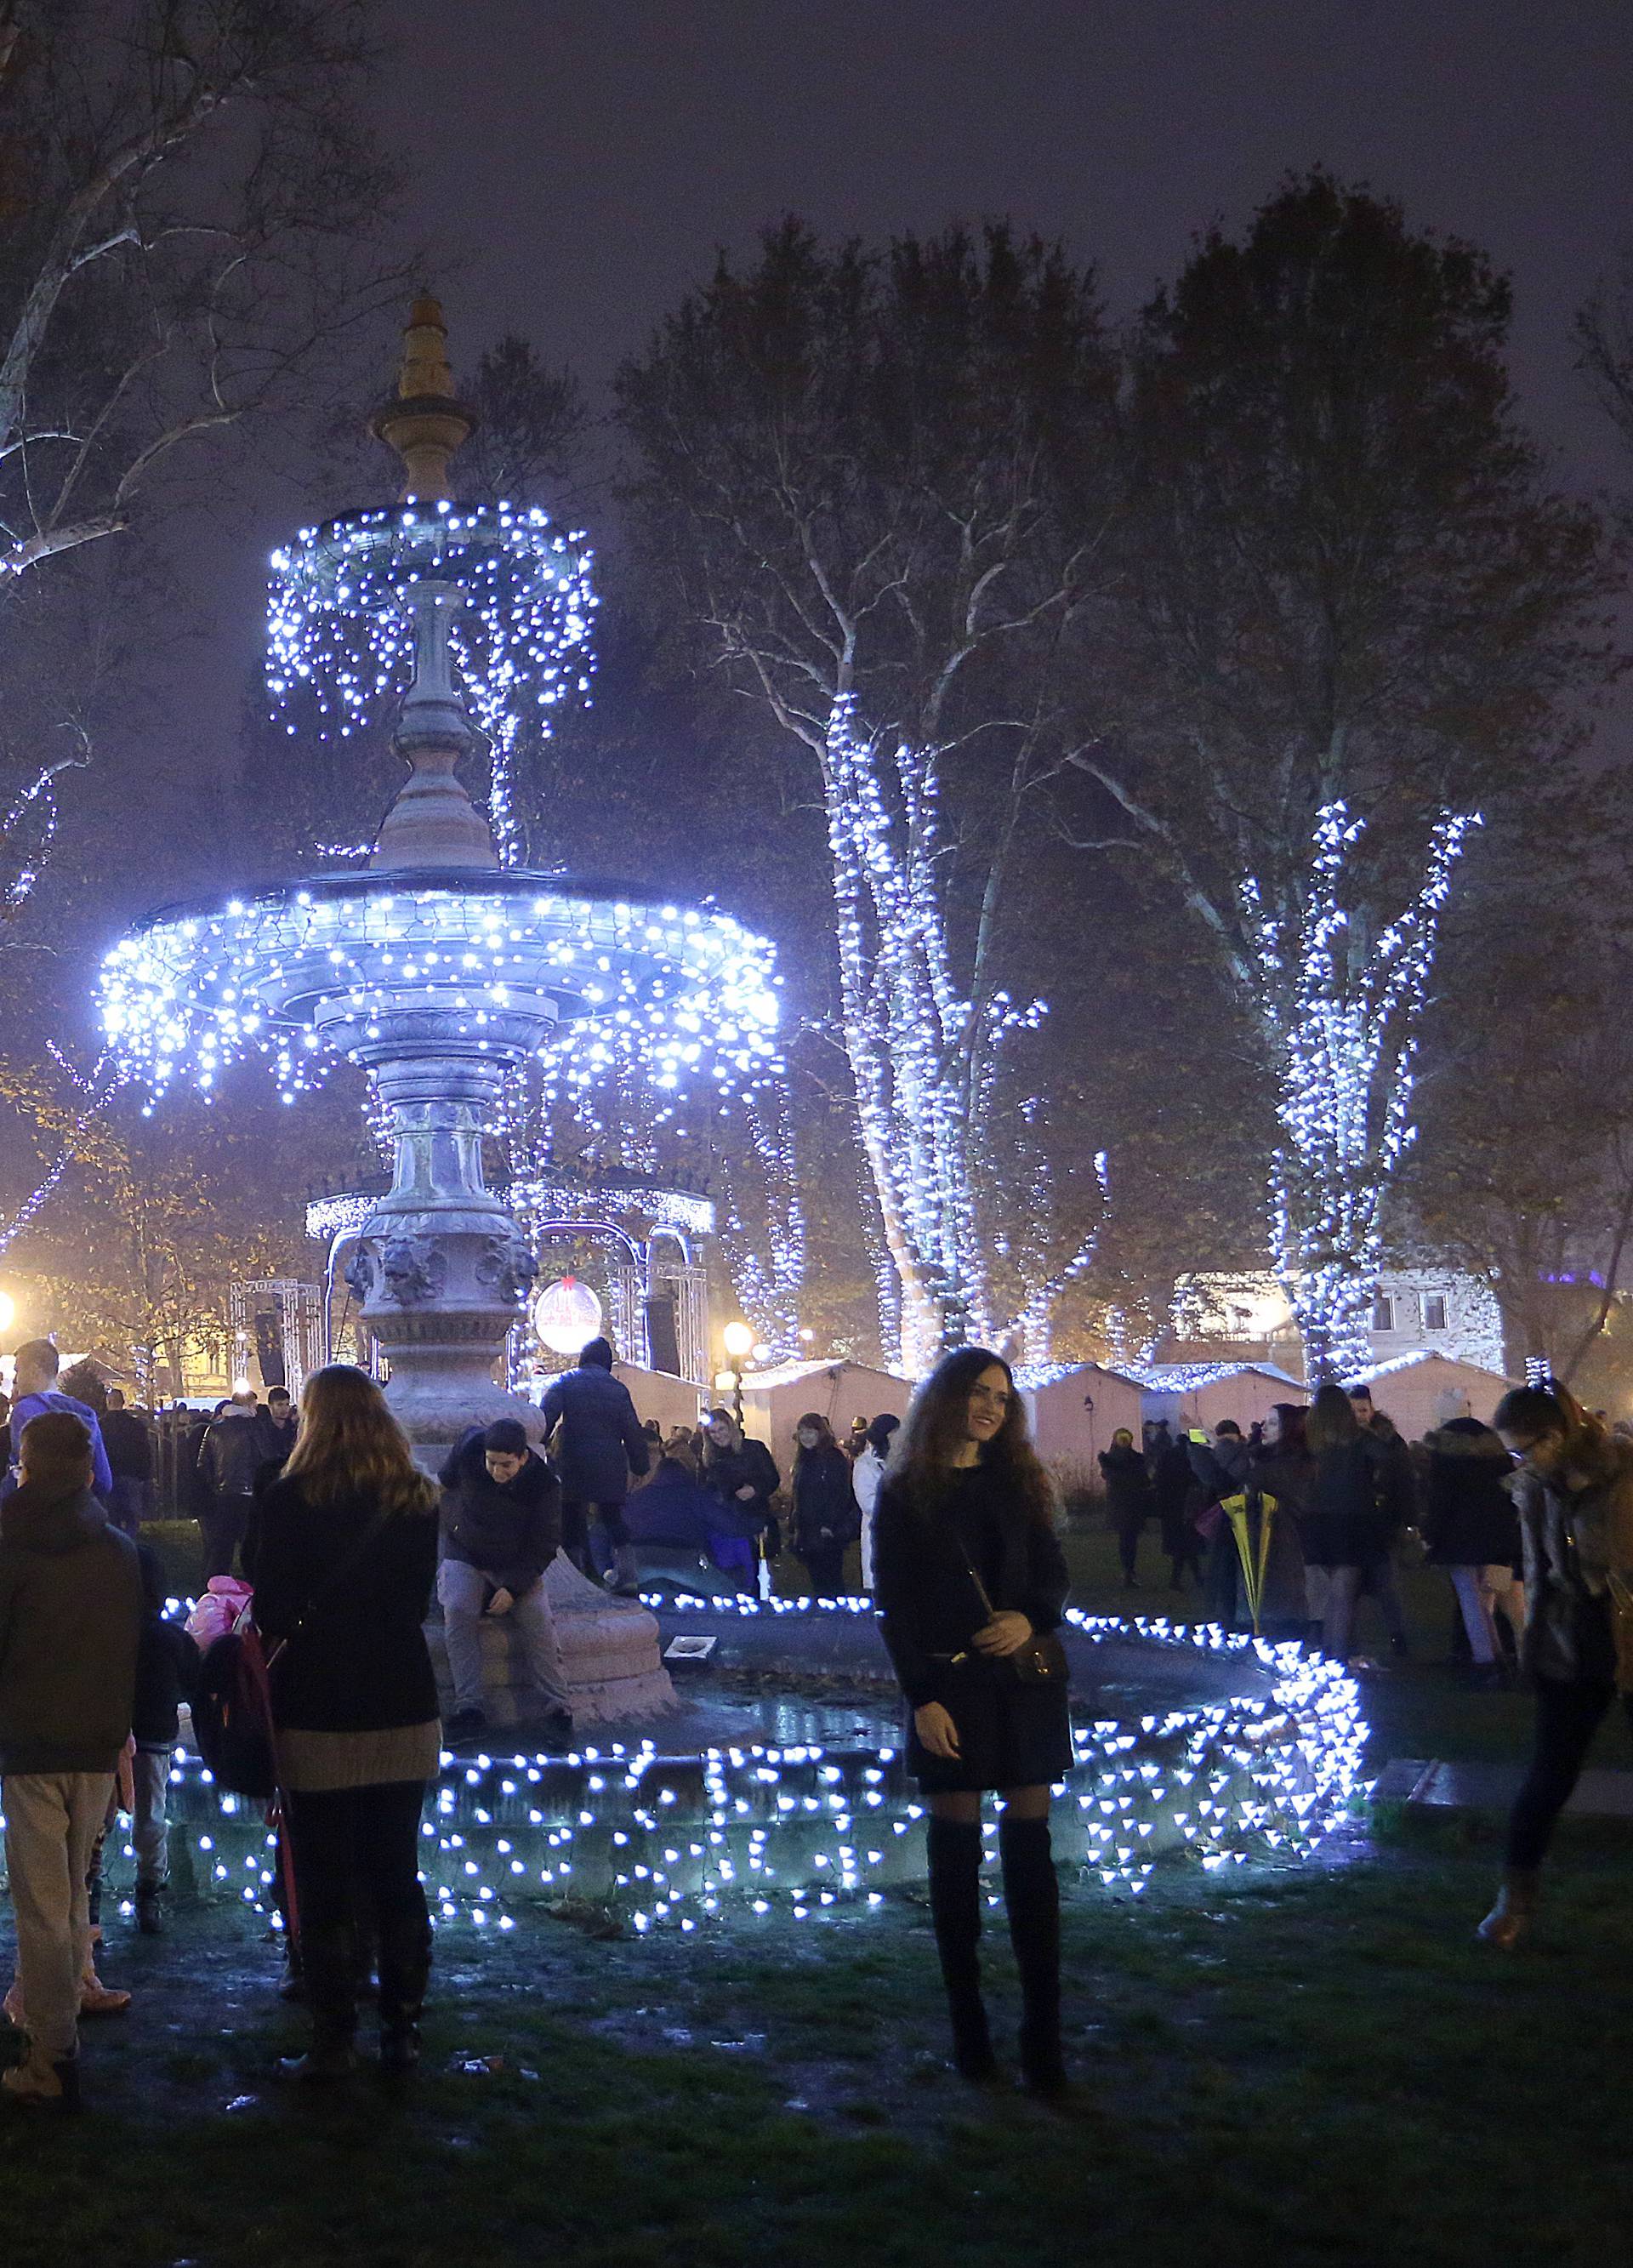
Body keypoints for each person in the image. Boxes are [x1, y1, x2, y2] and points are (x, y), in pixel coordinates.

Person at [873, 1348, 1073, 2094]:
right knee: (955, 1871)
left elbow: (1054, 1575)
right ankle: (971, 2035)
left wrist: (1030, 1618)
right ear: (949, 1399)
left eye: (1002, 1396)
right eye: (979, 1393)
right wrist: (921, 1699)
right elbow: (893, 1606)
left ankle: (1043, 2040)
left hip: (1022, 1685)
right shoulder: (906, 1495)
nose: (991, 1406)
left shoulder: (1020, 1482)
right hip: (950, 1688)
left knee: (1031, 1864)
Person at [251, 1365, 441, 2080]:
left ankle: (334, 2038)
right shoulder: (417, 1499)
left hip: (318, 1709)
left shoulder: (290, 1501)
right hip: (400, 1704)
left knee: (325, 1878)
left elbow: (271, 1608)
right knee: (397, 1873)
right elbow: (416, 1603)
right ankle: (404, 2030)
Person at [0, 1410, 142, 2109]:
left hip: (30, 1744)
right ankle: (66, 2010)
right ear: (88, 1471)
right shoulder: (117, 1551)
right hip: (94, 1742)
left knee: (42, 1906)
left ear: (27, 1464)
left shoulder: (11, 1546)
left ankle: (51, 2052)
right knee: (73, 1888)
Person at [1475, 1384, 1633, 1947]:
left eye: (1529, 1447)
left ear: (1560, 1431)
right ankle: (1514, 1899)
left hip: (1630, 1629)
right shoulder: (1535, 1488)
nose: (1524, 1461)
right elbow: (1540, 1575)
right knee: (1549, 1772)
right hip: (1573, 1639)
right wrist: (1533, 1645)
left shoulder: (1623, 1472)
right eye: (1514, 1452)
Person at [436, 1417, 571, 1744]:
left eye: (506, 1465)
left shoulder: (544, 1485)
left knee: (537, 1619)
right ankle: (470, 1708)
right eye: (491, 1463)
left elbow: (544, 1545)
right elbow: (444, 1484)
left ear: (523, 1457)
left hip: (516, 1562)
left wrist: (513, 1587)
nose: (497, 1471)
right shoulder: (469, 1449)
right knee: (458, 1609)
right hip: (465, 1553)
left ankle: (557, 1710)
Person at [1301, 1384, 1414, 1665]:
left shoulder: (1312, 1440)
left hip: (1317, 1521)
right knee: (1344, 1593)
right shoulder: (1360, 1438)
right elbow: (1389, 1460)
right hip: (1354, 1519)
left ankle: (1330, 1652)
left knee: (1330, 1594)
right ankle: (1338, 1655)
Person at [1421, 1389, 1523, 1686]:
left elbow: (1440, 1501)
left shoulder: (1445, 1453)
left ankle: (1486, 1660)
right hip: (1500, 1537)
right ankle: (1511, 1658)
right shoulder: (1496, 1450)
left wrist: (1430, 1535)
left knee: (1471, 1599)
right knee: (1494, 1599)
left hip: (1460, 1540)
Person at [127, 1543, 200, 1935]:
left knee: (98, 1822)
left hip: (109, 1734)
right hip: (153, 1735)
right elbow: (195, 1682)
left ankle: (91, 1900)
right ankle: (148, 1890)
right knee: (151, 1816)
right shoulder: (170, 1637)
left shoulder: (111, 1633)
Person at [540, 1338, 650, 1593]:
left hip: (574, 1460)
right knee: (613, 1518)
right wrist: (640, 1466)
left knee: (572, 1517)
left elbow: (545, 1417)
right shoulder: (618, 1390)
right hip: (610, 1462)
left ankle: (577, 1575)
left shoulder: (567, 1383)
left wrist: (539, 1444)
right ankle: (628, 1575)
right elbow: (632, 1431)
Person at [2, 1341, 113, 1506]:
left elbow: (22, 1477)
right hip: (78, 1514)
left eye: (18, 1370)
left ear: (34, 1371)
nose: (16, 1379)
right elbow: (104, 1481)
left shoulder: (25, 1410)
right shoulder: (85, 1413)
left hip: (37, 1517)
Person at [196, 1389, 263, 1579]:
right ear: (249, 1406)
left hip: (224, 1495)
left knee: (221, 1548)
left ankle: (214, 1589)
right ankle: (252, 1588)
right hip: (249, 1494)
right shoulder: (254, 1428)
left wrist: (216, 1486)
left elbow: (202, 1463)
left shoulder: (214, 1429)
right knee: (252, 1547)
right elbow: (264, 1458)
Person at [790, 1413, 860, 1595]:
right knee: (818, 1580)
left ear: (820, 1432)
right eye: (802, 1432)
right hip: (808, 1529)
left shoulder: (832, 1458)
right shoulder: (805, 1459)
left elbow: (839, 1494)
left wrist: (829, 1524)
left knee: (830, 1579)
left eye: (810, 1432)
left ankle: (835, 1618)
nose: (805, 1437)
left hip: (826, 1530)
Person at [701, 1408, 781, 1557]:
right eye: (713, 1432)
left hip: (754, 1516)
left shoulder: (754, 1448)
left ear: (730, 1427)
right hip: (725, 1521)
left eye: (721, 1429)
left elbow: (772, 1478)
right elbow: (705, 1488)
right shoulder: (709, 1459)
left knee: (757, 1565)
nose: (718, 1435)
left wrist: (755, 1489)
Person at [1098, 1427, 1152, 1589]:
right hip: (1133, 1506)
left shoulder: (1109, 1460)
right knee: (1130, 1541)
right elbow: (1144, 1481)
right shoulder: (1137, 1460)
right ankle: (1129, 1572)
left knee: (1126, 1541)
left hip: (1120, 1507)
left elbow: (1109, 1476)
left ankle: (1128, 1572)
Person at [851, 1413, 901, 1591]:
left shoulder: (901, 1461)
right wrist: (898, 1504)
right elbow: (868, 1503)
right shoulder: (865, 1464)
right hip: (879, 1531)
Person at [100, 1388, 154, 1538]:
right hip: (132, 1475)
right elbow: (145, 1452)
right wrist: (145, 1476)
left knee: (112, 1517)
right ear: (123, 1402)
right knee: (132, 1517)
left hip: (109, 1475)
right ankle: (130, 1546)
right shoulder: (136, 1425)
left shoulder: (100, 1425)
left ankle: (116, 1548)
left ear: (108, 1403)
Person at [1154, 1427, 1202, 1589]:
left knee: (1180, 1545)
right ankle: (1194, 1577)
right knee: (1188, 1544)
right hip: (1188, 1505)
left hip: (1172, 1506)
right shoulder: (1192, 1457)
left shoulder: (1168, 1456)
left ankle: (1181, 1578)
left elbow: (1158, 1479)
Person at [253, 1386, 299, 1472]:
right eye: (280, 1405)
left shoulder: (293, 1429)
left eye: (287, 1404)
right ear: (270, 1406)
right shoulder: (261, 1430)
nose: (284, 1409)